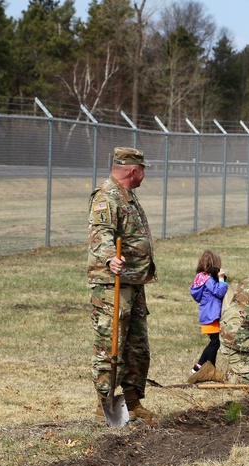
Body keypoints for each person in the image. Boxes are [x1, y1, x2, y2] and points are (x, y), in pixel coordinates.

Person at [87, 146, 156, 425]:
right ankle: (104, 405)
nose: (143, 175)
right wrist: (109, 258)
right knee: (110, 345)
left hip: (133, 282)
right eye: (142, 170)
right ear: (132, 170)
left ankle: (133, 402)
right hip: (112, 284)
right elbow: (101, 233)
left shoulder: (129, 197)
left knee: (137, 346)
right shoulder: (106, 197)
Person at [189, 250, 228, 380]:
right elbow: (219, 292)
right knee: (215, 343)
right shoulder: (208, 279)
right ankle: (210, 369)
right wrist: (221, 279)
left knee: (214, 342)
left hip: (207, 313)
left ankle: (199, 366)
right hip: (212, 315)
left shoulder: (200, 277)